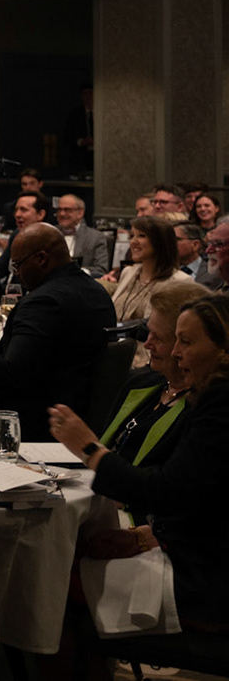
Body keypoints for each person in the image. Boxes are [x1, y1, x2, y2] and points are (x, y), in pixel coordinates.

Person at [48, 293, 229, 665]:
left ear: (223, 350)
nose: (175, 352)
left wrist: (90, 448)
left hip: (209, 584)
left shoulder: (221, 403)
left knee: (50, 583)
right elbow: (202, 499)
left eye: (186, 341)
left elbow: (164, 491)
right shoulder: (200, 394)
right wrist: (145, 535)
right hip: (198, 559)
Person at [0, 223, 116, 437]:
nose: (17, 273)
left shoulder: (43, 302)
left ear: (41, 259)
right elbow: (51, 353)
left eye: (18, 264)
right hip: (82, 411)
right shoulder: (97, 292)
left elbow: (11, 374)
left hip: (36, 421)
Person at [96, 280, 211, 469]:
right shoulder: (139, 384)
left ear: (186, 343)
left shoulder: (201, 411)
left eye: (158, 338)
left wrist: (89, 449)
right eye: (149, 332)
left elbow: (160, 482)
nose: (148, 344)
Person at [108, 215, 193, 322]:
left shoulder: (180, 281)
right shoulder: (128, 272)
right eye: (132, 236)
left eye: (142, 236)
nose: (133, 241)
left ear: (160, 241)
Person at [55, 192, 109, 272]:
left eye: (67, 210)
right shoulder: (49, 234)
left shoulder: (96, 237)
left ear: (80, 213)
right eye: (59, 210)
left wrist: (79, 272)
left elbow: (101, 269)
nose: (62, 214)